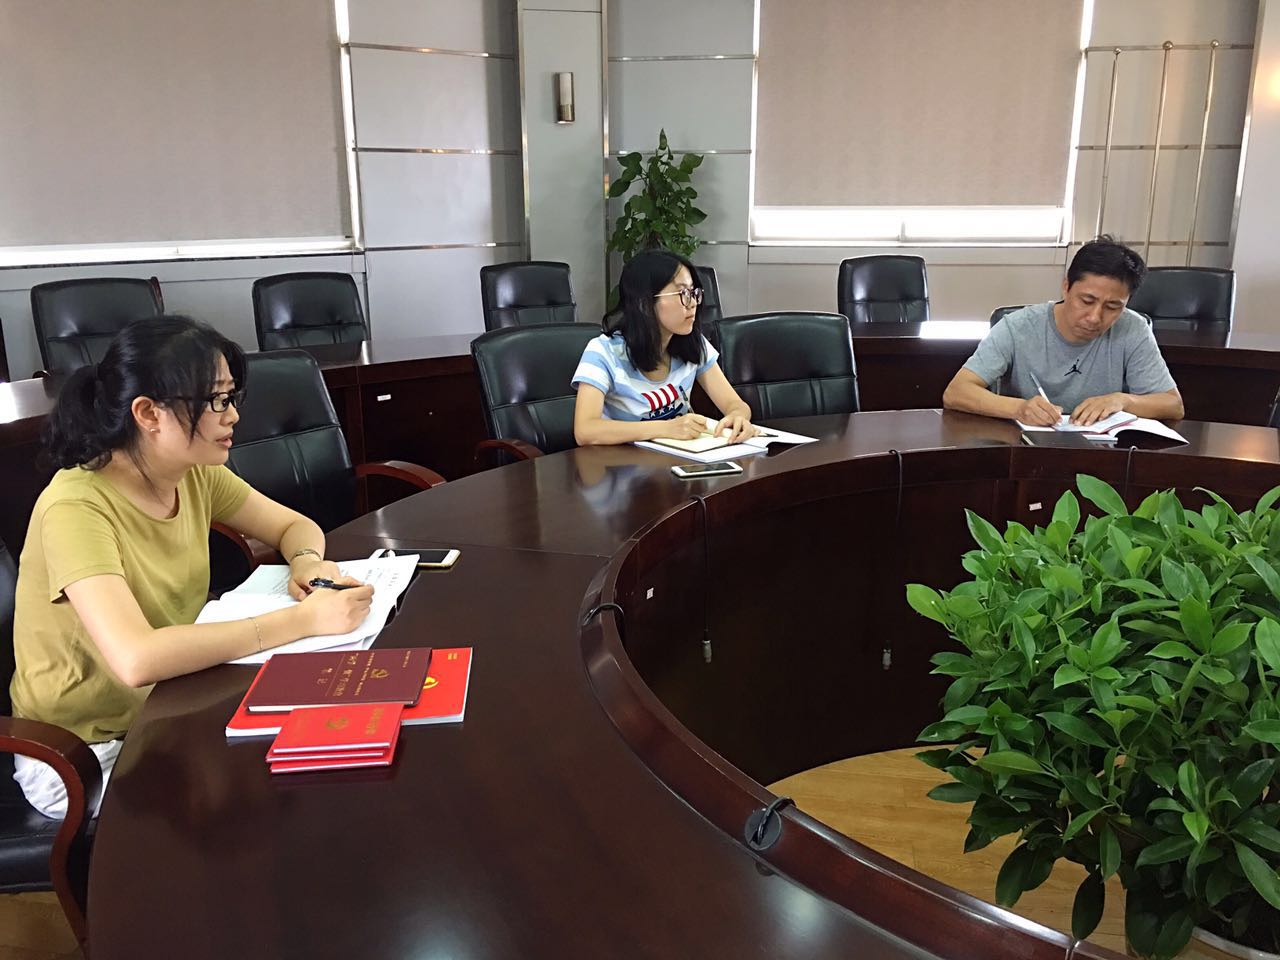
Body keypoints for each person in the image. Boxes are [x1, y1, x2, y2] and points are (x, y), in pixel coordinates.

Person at [10, 316, 375, 818]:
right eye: (216, 400)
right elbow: (136, 658)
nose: (233, 416)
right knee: (280, 790)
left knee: (329, 750)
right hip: (84, 752)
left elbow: (295, 526)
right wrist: (301, 621)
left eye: (231, 398)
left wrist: (309, 565)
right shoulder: (76, 508)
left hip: (170, 706)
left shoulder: (190, 474)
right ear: (148, 413)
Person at [942, 236, 1184, 427]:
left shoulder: (1132, 328)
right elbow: (956, 392)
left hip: (1103, 453)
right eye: (1087, 300)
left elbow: (1173, 405)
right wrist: (1019, 408)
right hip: (1026, 450)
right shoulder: (1018, 326)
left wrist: (1122, 400)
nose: (1095, 317)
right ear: (1066, 287)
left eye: (1112, 307)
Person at [573, 249, 757, 446]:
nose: (693, 303)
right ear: (644, 303)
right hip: (621, 461)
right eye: (682, 293)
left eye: (694, 292)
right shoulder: (604, 351)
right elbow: (585, 430)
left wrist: (738, 416)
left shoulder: (694, 343)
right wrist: (666, 428)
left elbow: (734, 403)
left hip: (679, 459)